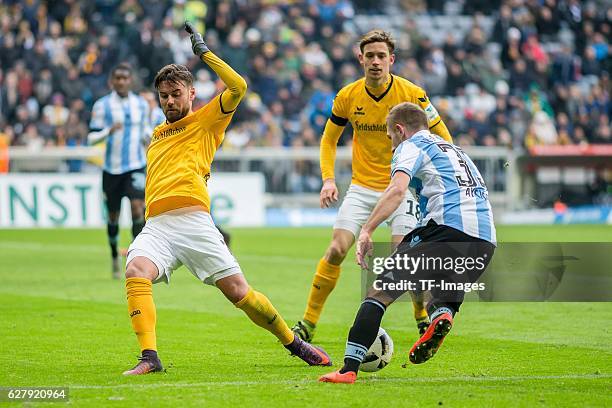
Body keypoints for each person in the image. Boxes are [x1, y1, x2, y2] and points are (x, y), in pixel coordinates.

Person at [122, 22, 331, 376]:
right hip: (157, 226)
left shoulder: (207, 121)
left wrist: (204, 53)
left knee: (239, 293)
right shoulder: (157, 133)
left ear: (191, 94)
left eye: (176, 93)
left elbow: (239, 86)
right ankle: (150, 357)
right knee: (135, 271)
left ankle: (293, 343)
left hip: (194, 223)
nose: (170, 101)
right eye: (164, 96)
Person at [292, 30, 454, 342]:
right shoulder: (347, 96)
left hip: (404, 186)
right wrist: (328, 179)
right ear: (361, 59)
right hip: (362, 187)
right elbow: (329, 139)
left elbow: (442, 133)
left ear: (391, 60)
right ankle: (308, 322)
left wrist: (445, 173)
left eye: (381, 56)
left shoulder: (413, 94)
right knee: (337, 248)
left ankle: (420, 312)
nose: (376, 62)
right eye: (370, 56)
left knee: (403, 254)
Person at [319, 102, 496, 383]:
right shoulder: (455, 150)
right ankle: (443, 313)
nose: (391, 146)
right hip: (485, 243)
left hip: (447, 231)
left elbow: (397, 189)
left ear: (400, 130)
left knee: (378, 293)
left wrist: (367, 229)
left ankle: (349, 369)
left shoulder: (412, 145)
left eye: (390, 138)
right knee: (440, 290)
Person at [88, 63, 152, 279]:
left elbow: (145, 130)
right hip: (111, 169)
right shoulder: (102, 106)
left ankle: (136, 256)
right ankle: (114, 255)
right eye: (118, 78)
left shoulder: (141, 104)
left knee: (137, 208)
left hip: (135, 164)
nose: (122, 82)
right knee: (113, 217)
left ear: (130, 80)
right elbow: (91, 137)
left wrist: (150, 138)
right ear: (112, 81)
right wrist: (108, 131)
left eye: (125, 78)